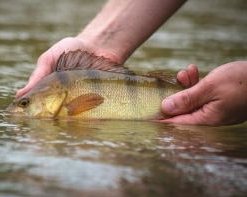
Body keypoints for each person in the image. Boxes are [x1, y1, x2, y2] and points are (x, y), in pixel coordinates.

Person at [16, 0, 247, 126]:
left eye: (25, 103)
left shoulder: (66, 103)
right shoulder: (61, 85)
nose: (19, 107)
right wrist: (98, 40)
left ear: (52, 94)